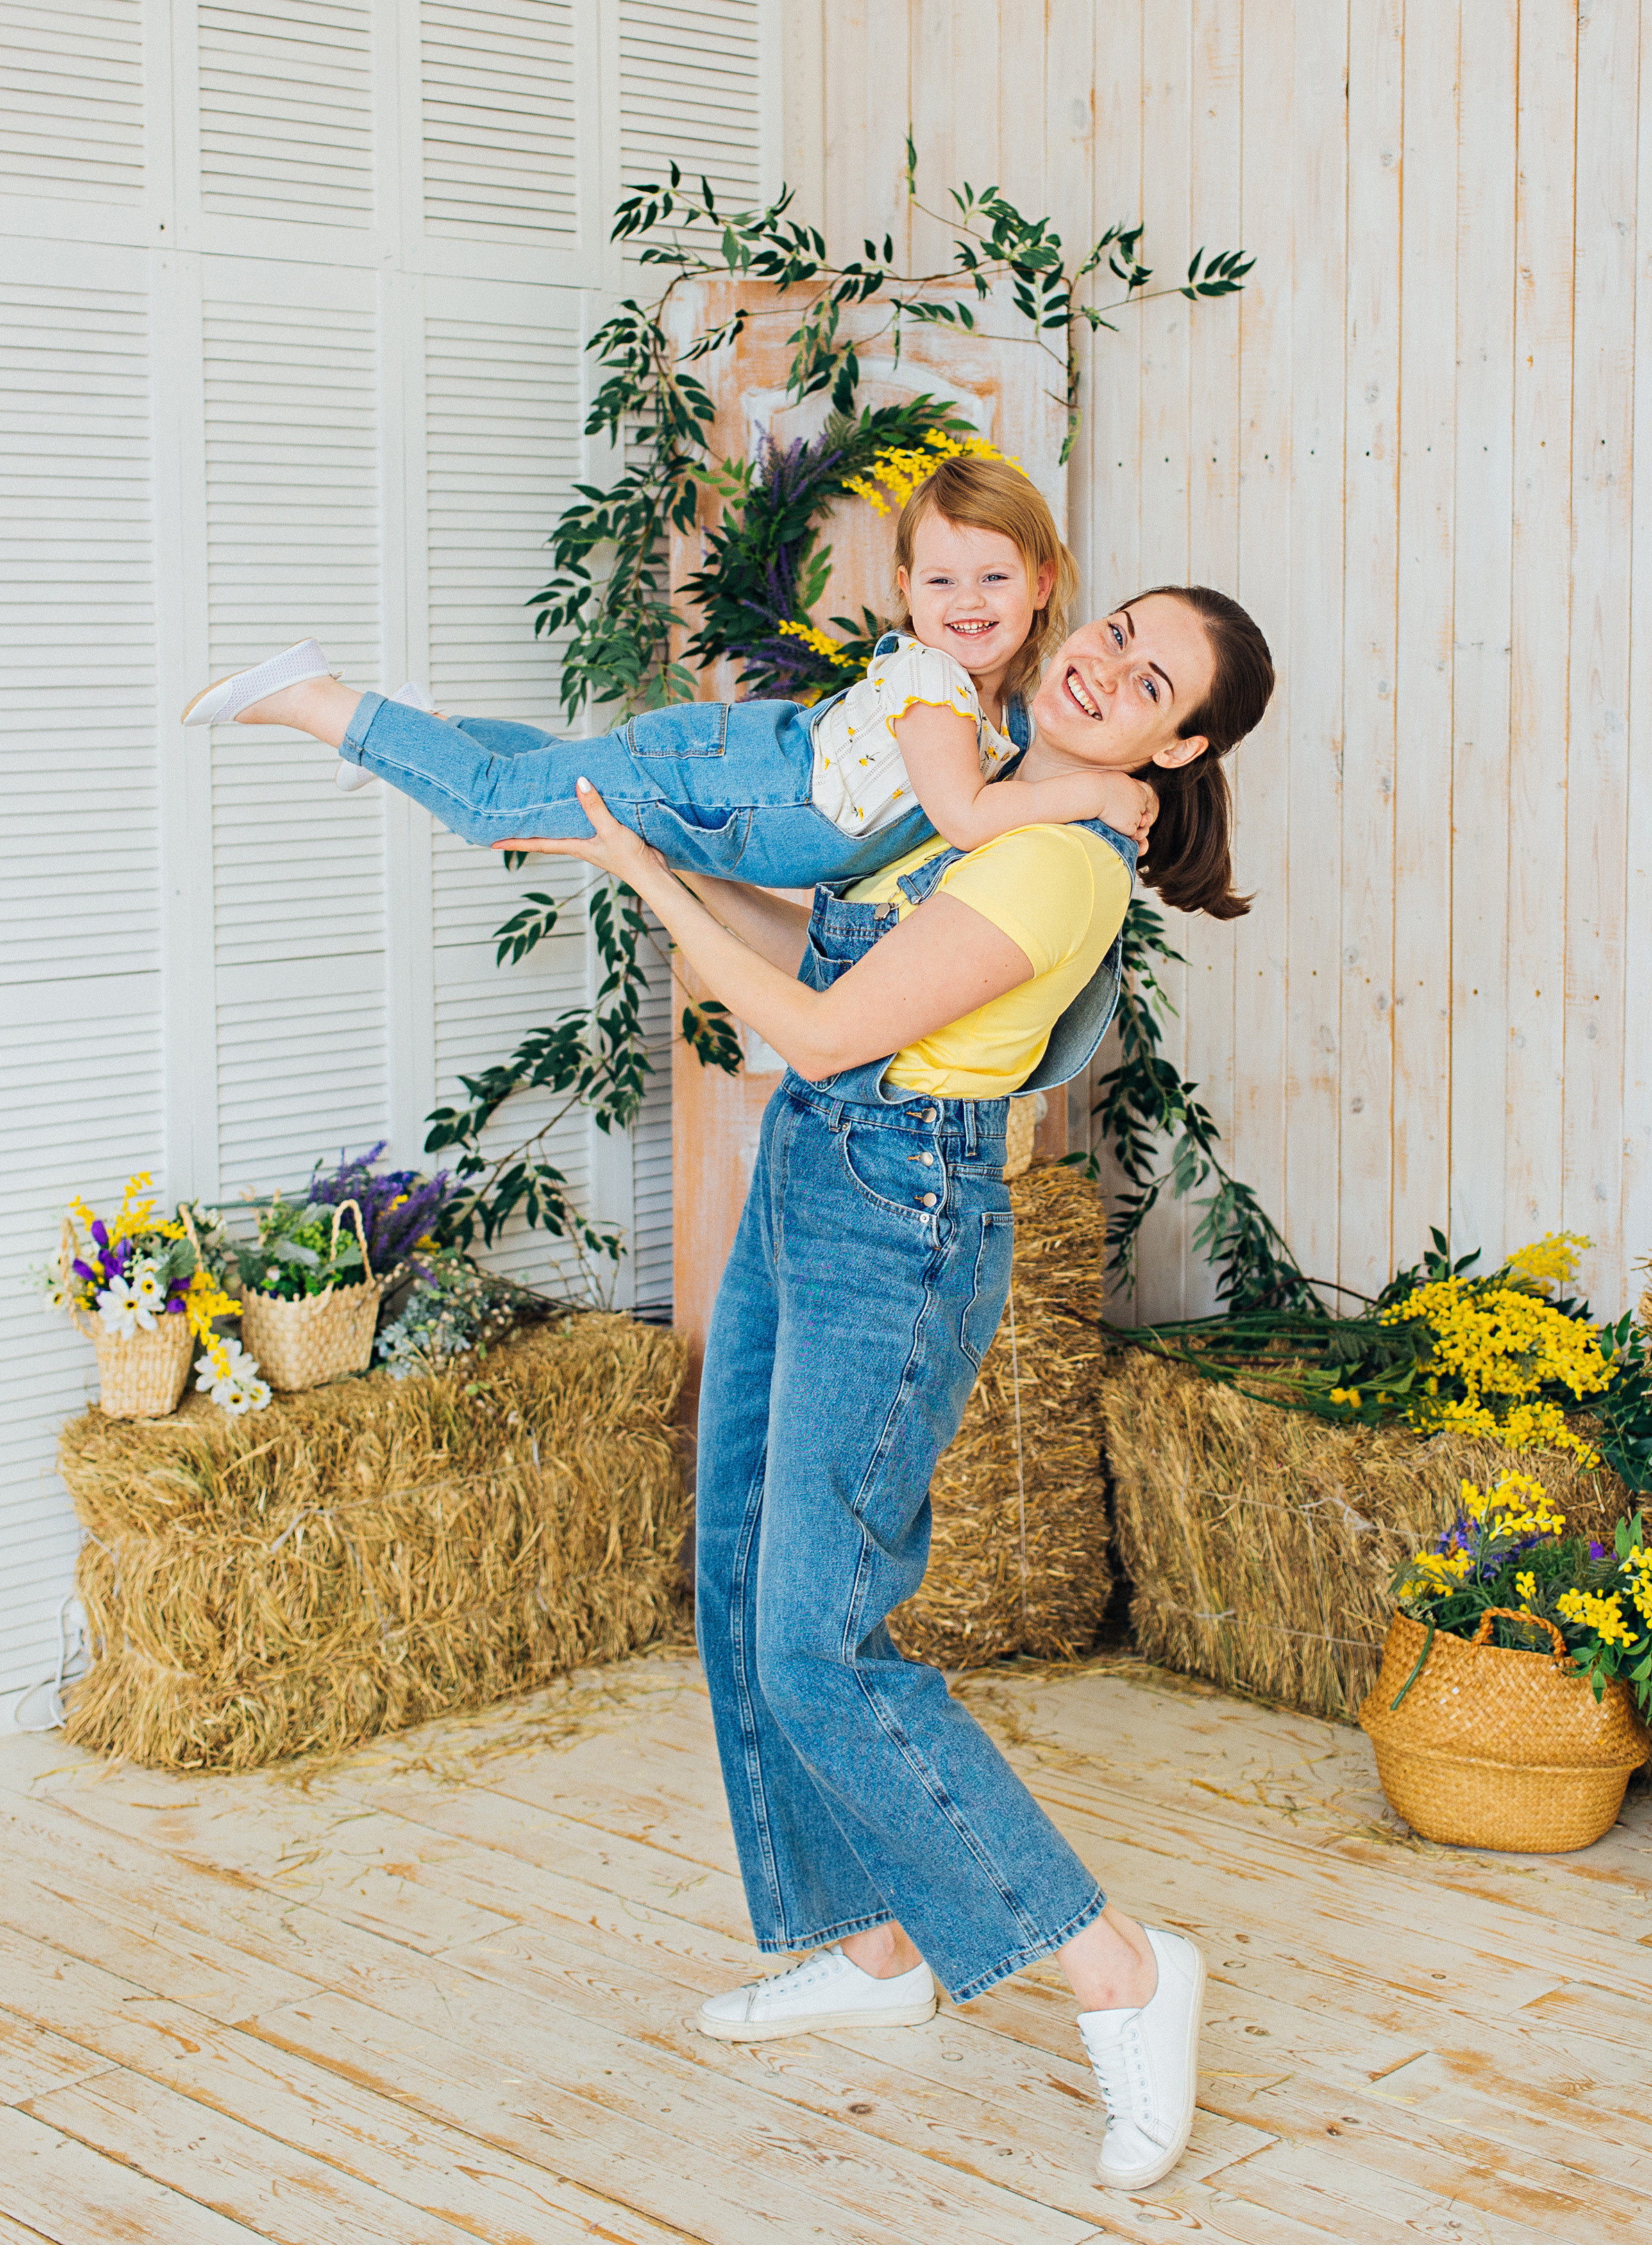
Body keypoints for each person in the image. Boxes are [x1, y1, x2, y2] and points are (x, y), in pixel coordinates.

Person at [486, 581, 1276, 2194]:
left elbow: (826, 1033)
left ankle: (1118, 1966)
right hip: (813, 1179)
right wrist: (675, 866)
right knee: (737, 1572)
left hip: (895, 1219)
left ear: (1178, 744)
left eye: (1149, 679)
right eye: (1115, 629)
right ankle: (869, 1954)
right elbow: (809, 951)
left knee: (819, 1642)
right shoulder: (974, 801)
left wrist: (649, 875)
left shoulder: (1055, 859)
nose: (1102, 664)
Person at [180, 455, 1159, 882]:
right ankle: (317, 698)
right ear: (906, 589)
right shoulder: (936, 686)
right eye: (942, 580)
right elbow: (965, 817)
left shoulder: (1005, 701)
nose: (969, 601)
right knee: (495, 812)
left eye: (993, 576)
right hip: (730, 788)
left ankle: (409, 724)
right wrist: (1097, 797)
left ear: (1041, 580)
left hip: (735, 772)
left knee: (550, 776)